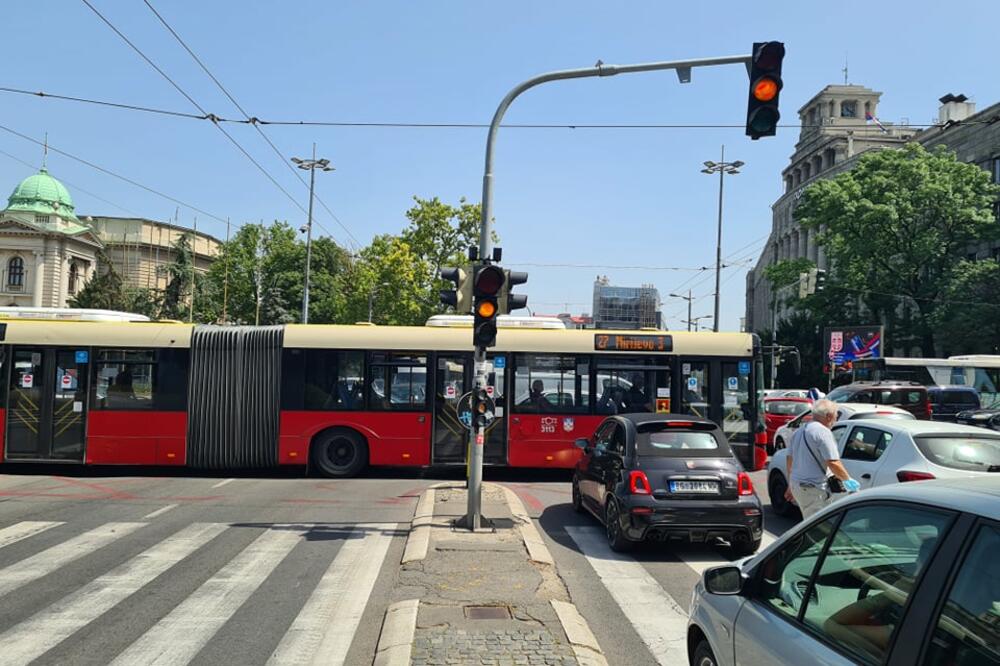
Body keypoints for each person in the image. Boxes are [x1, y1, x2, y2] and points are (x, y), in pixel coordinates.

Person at [785, 398, 860, 518]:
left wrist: (790, 485)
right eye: (836, 416)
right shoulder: (822, 432)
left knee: (809, 522)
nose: (836, 420)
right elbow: (833, 462)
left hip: (798, 486)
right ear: (829, 416)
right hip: (814, 489)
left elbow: (789, 460)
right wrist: (848, 481)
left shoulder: (799, 431)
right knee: (818, 528)